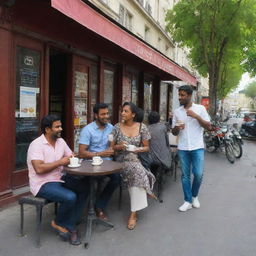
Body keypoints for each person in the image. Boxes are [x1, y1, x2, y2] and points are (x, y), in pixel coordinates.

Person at [27, 115, 89, 245]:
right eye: (57, 127)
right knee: (70, 197)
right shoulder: (36, 145)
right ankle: (60, 223)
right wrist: (60, 162)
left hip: (60, 177)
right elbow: (39, 169)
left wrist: (73, 158)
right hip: (42, 183)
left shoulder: (60, 141)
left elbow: (70, 156)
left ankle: (70, 222)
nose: (60, 129)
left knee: (84, 188)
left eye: (60, 126)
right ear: (47, 129)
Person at [111, 102, 156, 230]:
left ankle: (133, 213)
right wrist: (119, 146)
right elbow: (111, 148)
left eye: (126, 111)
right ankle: (147, 185)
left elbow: (147, 147)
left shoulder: (142, 127)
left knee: (135, 171)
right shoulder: (116, 127)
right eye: (122, 111)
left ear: (133, 114)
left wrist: (136, 149)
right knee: (137, 170)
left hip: (135, 158)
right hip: (120, 159)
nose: (122, 113)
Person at [172, 85, 211, 212]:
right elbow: (173, 132)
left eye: (182, 95)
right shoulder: (177, 112)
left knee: (198, 174)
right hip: (183, 147)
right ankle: (187, 200)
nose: (180, 97)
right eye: (179, 95)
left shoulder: (200, 109)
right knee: (185, 176)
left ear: (189, 96)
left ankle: (194, 196)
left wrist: (196, 116)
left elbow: (208, 126)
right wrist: (177, 128)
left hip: (197, 146)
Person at [79, 103, 120, 221]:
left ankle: (99, 206)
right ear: (96, 115)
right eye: (103, 114)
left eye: (107, 113)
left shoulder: (111, 128)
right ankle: (87, 208)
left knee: (117, 178)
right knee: (93, 181)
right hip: (91, 164)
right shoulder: (88, 130)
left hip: (107, 164)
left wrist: (115, 147)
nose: (106, 116)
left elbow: (111, 147)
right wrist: (99, 154)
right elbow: (82, 153)